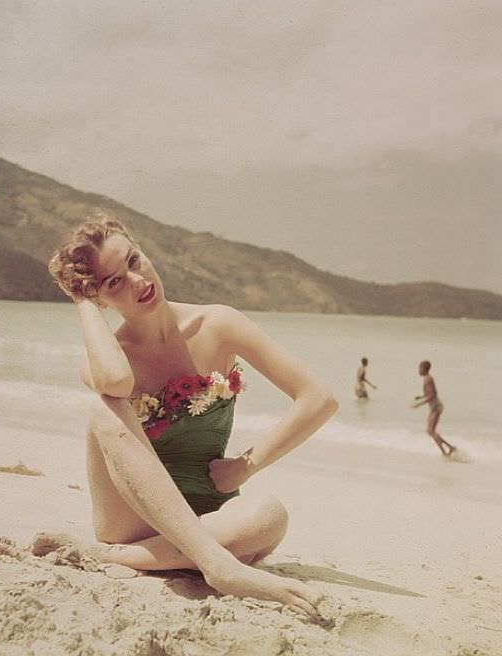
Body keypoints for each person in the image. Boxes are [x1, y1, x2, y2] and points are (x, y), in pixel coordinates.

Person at [36, 214, 338, 622]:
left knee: (269, 513)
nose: (137, 281)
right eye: (113, 283)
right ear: (100, 299)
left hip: (209, 515)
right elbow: (117, 381)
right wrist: (82, 301)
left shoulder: (218, 323)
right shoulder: (106, 358)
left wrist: (246, 466)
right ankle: (217, 564)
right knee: (103, 405)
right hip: (132, 519)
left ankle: (127, 557)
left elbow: (319, 398)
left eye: (134, 260)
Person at [412, 360, 456, 457]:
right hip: (435, 406)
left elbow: (432, 395)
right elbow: (431, 393)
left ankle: (448, 449)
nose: (418, 370)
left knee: (430, 430)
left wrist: (419, 404)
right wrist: (421, 397)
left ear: (424, 369)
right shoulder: (428, 378)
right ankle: (448, 449)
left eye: (419, 368)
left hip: (435, 407)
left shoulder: (428, 379)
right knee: (430, 430)